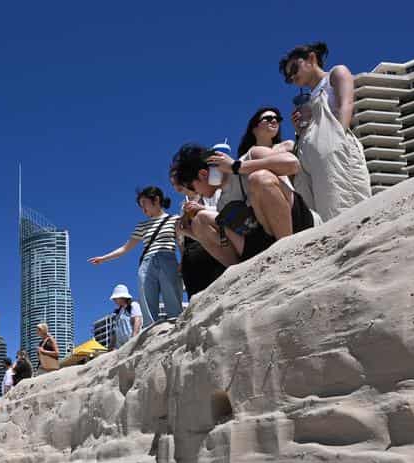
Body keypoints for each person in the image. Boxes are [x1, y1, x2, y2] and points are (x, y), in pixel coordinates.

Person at [170, 140, 313, 267]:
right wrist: (190, 232)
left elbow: (293, 164)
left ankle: (288, 252)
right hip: (264, 239)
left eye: (191, 187)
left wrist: (236, 166)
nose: (195, 193)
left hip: (296, 223)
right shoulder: (222, 202)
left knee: (259, 179)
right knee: (200, 221)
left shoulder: (251, 155)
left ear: (202, 174)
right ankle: (240, 272)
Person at [280, 41, 371, 221]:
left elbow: (347, 104)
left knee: (343, 205)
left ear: (311, 59)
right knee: (317, 215)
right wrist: (300, 129)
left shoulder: (335, 74)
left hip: (335, 150)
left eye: (294, 70)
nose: (292, 78)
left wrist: (339, 137)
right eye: (288, 78)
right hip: (310, 159)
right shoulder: (308, 97)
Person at [89, 187, 184, 324]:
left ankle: (176, 324)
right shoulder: (142, 226)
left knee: (172, 297)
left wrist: (183, 260)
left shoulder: (174, 219)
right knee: (147, 299)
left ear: (156, 200)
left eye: (144, 204)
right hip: (146, 263)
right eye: (140, 206)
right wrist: (103, 258)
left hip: (167, 257)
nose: (143, 209)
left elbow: (180, 241)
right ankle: (151, 330)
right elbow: (125, 248)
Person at [108, 284, 143, 348]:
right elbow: (115, 331)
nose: (114, 300)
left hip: (132, 344)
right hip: (121, 347)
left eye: (115, 298)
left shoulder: (134, 305)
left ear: (122, 297)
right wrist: (111, 345)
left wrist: (133, 339)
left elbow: (137, 321)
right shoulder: (118, 312)